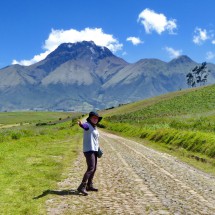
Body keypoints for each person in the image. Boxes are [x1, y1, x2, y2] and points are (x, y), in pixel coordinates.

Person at [77, 111, 102, 196]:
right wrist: (81, 125)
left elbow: (95, 140)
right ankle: (82, 186)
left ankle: (89, 185)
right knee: (91, 168)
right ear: (90, 118)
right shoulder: (88, 125)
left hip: (94, 149)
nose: (95, 119)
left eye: (97, 118)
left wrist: (98, 148)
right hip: (89, 150)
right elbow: (84, 126)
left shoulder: (94, 127)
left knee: (94, 168)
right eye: (94, 118)